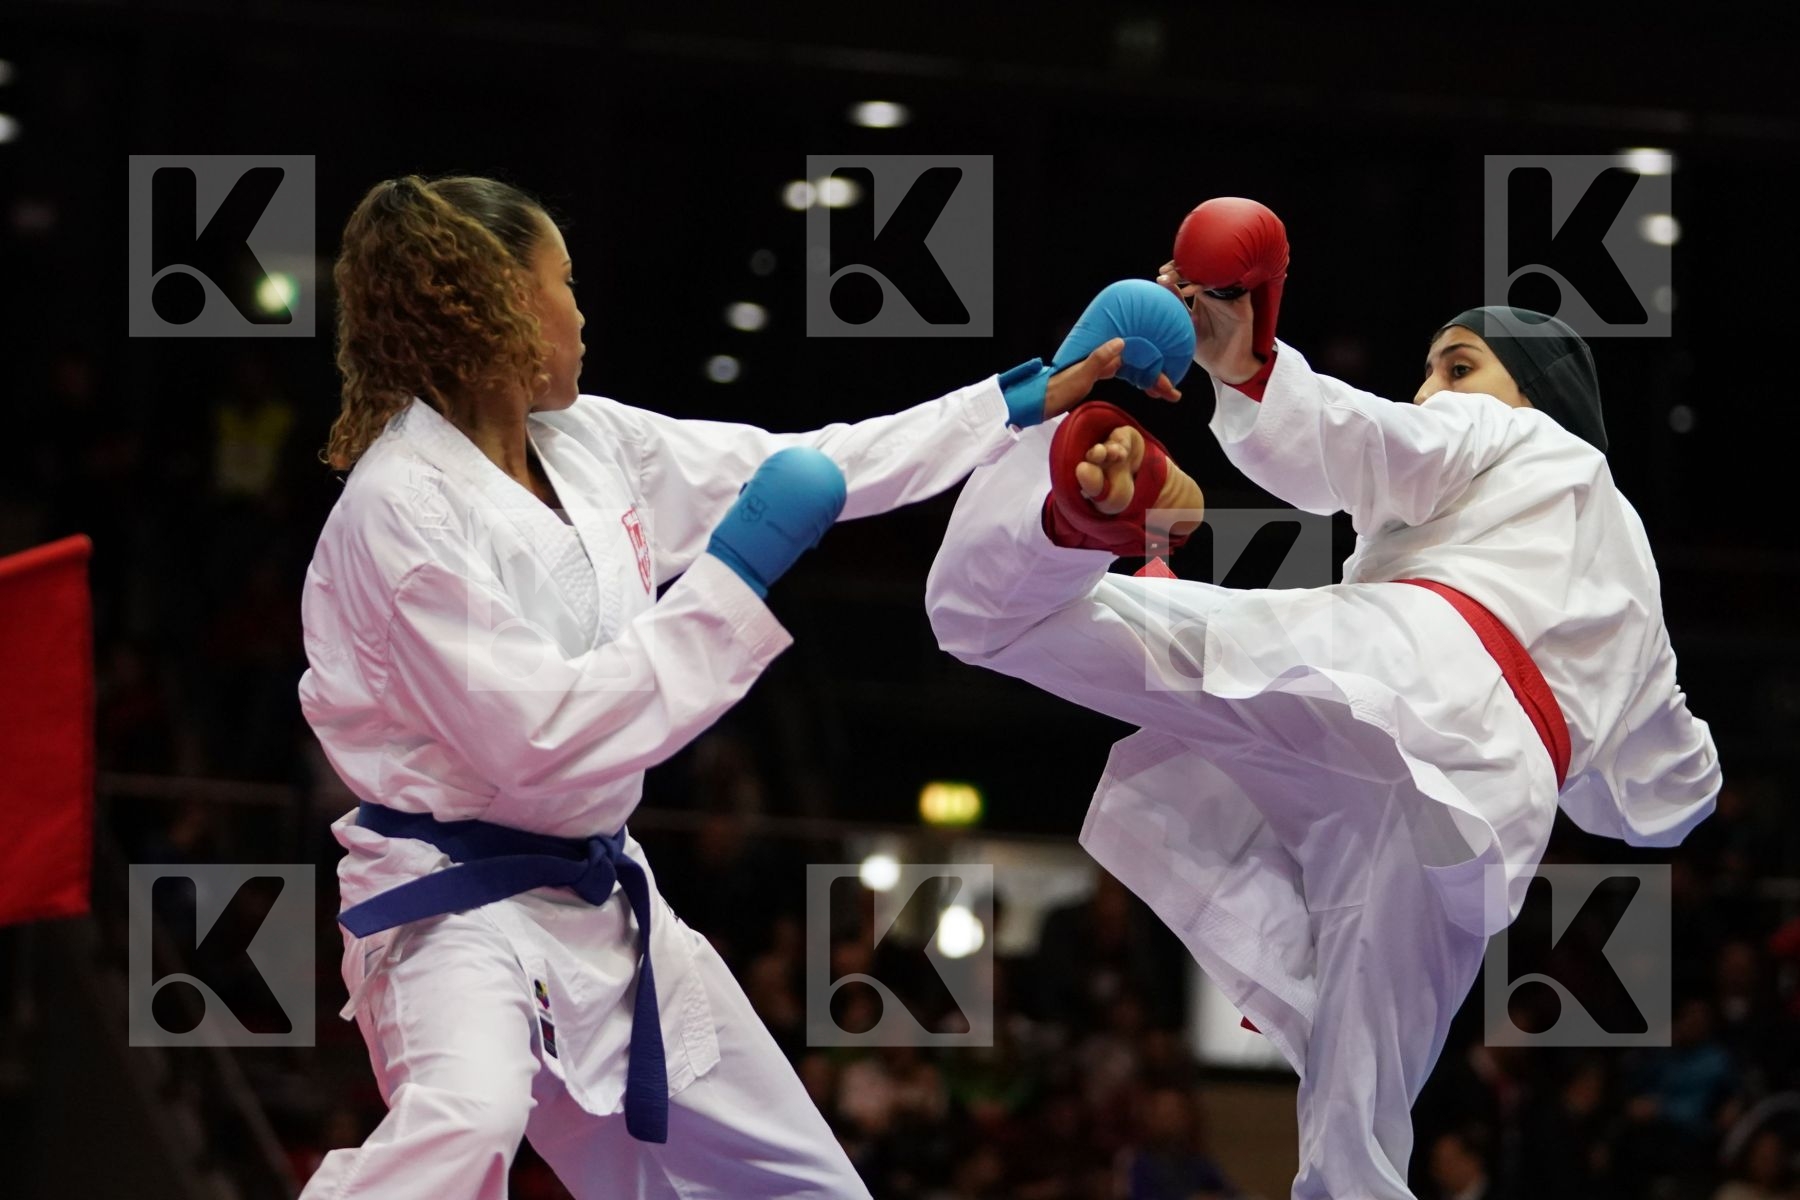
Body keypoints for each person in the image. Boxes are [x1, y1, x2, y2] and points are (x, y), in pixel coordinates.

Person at [296, 173, 1178, 1200]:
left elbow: (809, 465)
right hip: (451, 912)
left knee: (807, 1185)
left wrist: (1022, 398)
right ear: (496, 308)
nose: (582, 310)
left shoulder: (590, 447)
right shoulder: (400, 512)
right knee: (469, 1121)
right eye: (564, 283)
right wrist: (732, 579)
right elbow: (540, 741)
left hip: (603, 896)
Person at [923, 200, 1720, 1199]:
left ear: (1538, 396)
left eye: (1458, 363)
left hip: (1390, 673)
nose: (1435, 385)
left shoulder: (1508, 439)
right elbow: (1667, 796)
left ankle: (1063, 508)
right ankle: (1085, 526)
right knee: (1357, 1134)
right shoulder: (1640, 601)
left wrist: (1249, 358)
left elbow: (1364, 441)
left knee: (995, 622)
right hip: (1480, 819)